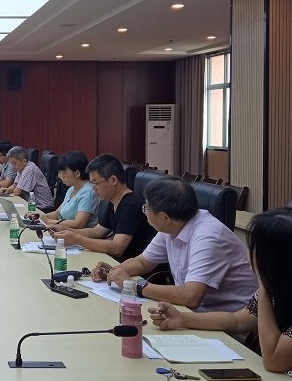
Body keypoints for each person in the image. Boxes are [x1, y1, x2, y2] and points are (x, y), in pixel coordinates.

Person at [148, 208, 292, 373]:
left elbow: (274, 362)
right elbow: (237, 320)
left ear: (274, 258)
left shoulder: (268, 288)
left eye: (254, 248)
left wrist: (263, 283)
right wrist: (182, 319)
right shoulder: (278, 287)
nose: (248, 253)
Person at [93, 177, 257, 312]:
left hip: (233, 327)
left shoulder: (207, 237)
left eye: (146, 208)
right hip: (194, 313)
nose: (144, 211)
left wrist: (134, 286)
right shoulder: (172, 226)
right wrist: (115, 272)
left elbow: (191, 297)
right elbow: (143, 262)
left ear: (164, 217)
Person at [49, 153, 155, 262]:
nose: (93, 188)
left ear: (113, 180)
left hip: (132, 266)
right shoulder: (114, 200)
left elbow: (117, 248)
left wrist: (77, 239)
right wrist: (65, 230)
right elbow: (97, 232)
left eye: (95, 183)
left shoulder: (130, 205)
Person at [42, 151, 99, 229]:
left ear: (77, 173)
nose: (61, 176)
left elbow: (78, 223)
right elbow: (57, 213)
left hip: (78, 234)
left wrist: (51, 222)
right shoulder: (72, 188)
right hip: (63, 230)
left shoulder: (88, 192)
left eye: (64, 173)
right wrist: (41, 217)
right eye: (59, 173)